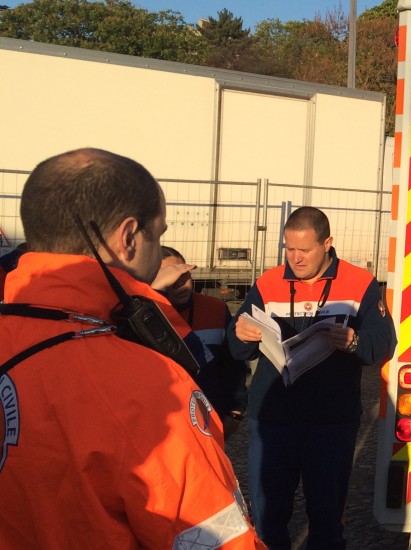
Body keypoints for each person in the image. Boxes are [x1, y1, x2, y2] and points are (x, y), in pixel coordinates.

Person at [0, 148, 262, 548]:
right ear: (128, 238)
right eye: (157, 234)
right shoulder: (151, 387)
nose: (158, 250)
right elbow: (213, 538)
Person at [227, 206, 395, 550]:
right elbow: (236, 347)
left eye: (304, 250)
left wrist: (355, 342)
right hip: (272, 422)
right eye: (289, 249)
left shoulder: (359, 283)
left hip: (331, 422)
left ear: (328, 243)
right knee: (267, 517)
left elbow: (384, 343)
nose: (295, 258)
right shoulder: (268, 282)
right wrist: (239, 334)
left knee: (327, 518)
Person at [153, 246, 249, 439]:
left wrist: (235, 411)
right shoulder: (148, 315)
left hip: (209, 418)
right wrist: (154, 295)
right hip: (163, 422)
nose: (181, 285)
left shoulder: (215, 309)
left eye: (185, 276)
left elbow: (233, 364)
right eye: (171, 280)